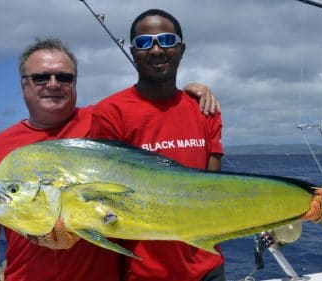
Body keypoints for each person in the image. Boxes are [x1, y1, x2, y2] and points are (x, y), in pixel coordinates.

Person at [0, 37, 221, 281]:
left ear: (75, 83)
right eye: (40, 77)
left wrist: (188, 92)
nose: (53, 84)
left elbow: (154, 112)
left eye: (64, 77)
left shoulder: (104, 120)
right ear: (24, 83)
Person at [90, 9, 225, 281]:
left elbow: (213, 191)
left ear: (181, 49)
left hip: (207, 267)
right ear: (133, 52)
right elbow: (104, 195)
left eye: (166, 40)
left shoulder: (205, 109)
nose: (155, 49)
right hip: (144, 272)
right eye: (143, 42)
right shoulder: (110, 112)